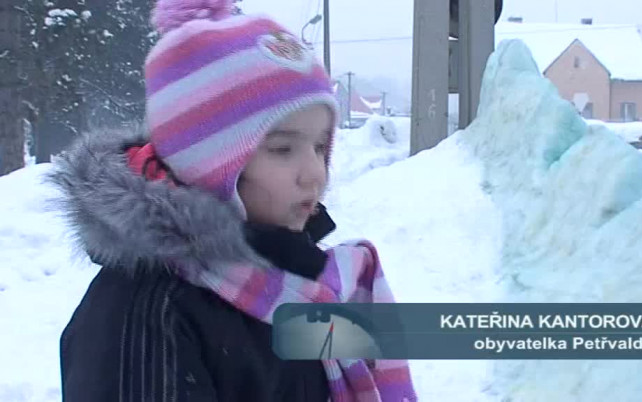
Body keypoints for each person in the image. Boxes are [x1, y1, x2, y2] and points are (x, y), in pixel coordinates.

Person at [50, 0, 417, 401]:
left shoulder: (292, 282)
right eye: (282, 149)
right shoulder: (150, 316)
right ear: (207, 163)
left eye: (319, 147)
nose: (315, 172)